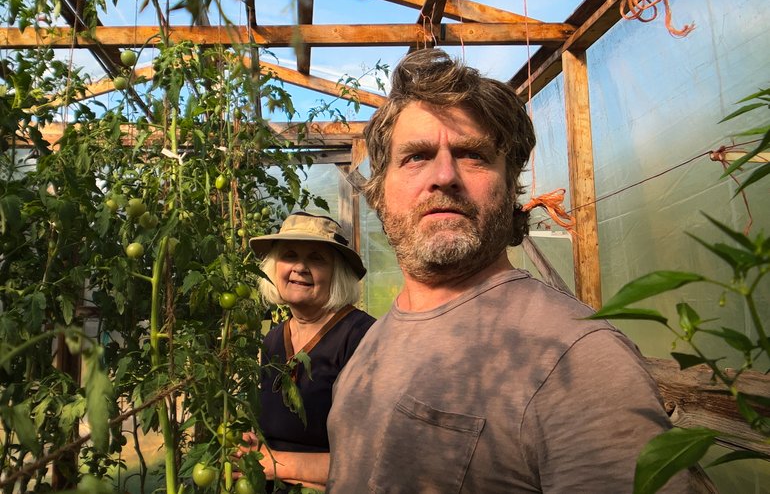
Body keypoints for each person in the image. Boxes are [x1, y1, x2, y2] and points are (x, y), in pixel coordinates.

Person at [325, 49, 705, 492]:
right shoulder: (377, 338)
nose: (444, 175)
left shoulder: (578, 360)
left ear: (510, 186)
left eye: (473, 155)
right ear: (379, 191)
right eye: (416, 157)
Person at [239, 212, 375, 492]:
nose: (300, 266)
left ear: (337, 272)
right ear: (273, 268)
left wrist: (272, 462)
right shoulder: (274, 339)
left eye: (316, 258)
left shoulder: (362, 337)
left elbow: (371, 460)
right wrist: (258, 446)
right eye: (289, 255)